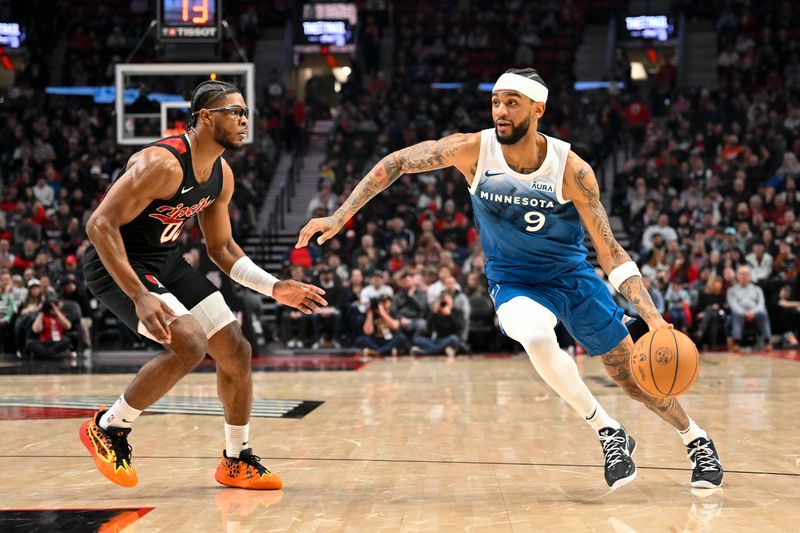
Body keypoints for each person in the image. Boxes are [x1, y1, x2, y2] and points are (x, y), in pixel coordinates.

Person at [296, 68, 723, 489]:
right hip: (513, 278)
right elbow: (399, 162)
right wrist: (340, 215)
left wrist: (654, 318)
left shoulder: (571, 169)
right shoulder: (473, 150)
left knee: (631, 376)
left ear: (538, 108)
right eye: (496, 101)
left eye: (511, 103)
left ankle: (696, 439)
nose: (500, 110)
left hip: (572, 277)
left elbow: (611, 252)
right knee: (533, 335)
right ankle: (607, 431)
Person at [80, 80, 327, 490]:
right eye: (235, 111)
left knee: (235, 348)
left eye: (246, 111)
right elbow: (99, 224)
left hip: (164, 261)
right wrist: (139, 295)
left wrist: (274, 287)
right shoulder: (162, 164)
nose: (245, 119)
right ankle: (109, 427)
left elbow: (223, 248)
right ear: (207, 117)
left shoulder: (221, 174)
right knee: (189, 343)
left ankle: (236, 458)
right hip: (118, 262)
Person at [726, 265, 772, 350]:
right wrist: (744, 312)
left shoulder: (757, 289)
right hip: (740, 314)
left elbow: (761, 303)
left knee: (763, 312)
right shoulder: (731, 290)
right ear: (737, 276)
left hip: (756, 314)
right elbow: (733, 305)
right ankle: (736, 343)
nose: (744, 276)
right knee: (736, 313)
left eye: (746, 274)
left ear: (750, 276)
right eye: (741, 274)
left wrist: (753, 312)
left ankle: (767, 341)